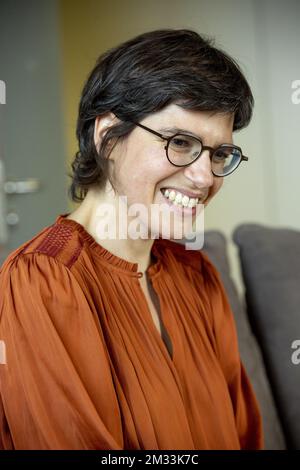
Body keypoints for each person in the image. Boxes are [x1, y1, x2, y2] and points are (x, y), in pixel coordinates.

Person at [0, 29, 264, 450]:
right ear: (107, 136)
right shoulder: (41, 281)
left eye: (218, 154)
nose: (204, 177)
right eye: (180, 142)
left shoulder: (198, 272)